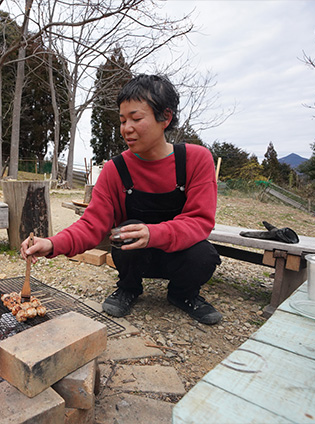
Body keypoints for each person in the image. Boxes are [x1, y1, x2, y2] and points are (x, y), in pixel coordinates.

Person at [20, 74, 222, 325]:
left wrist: (154, 233)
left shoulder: (196, 159)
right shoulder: (115, 169)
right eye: (123, 120)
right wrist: (52, 244)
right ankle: (128, 287)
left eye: (136, 119)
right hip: (135, 258)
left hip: (179, 255)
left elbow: (200, 220)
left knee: (204, 254)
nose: (126, 128)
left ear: (165, 118)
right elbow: (92, 224)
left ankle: (183, 294)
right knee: (125, 231)